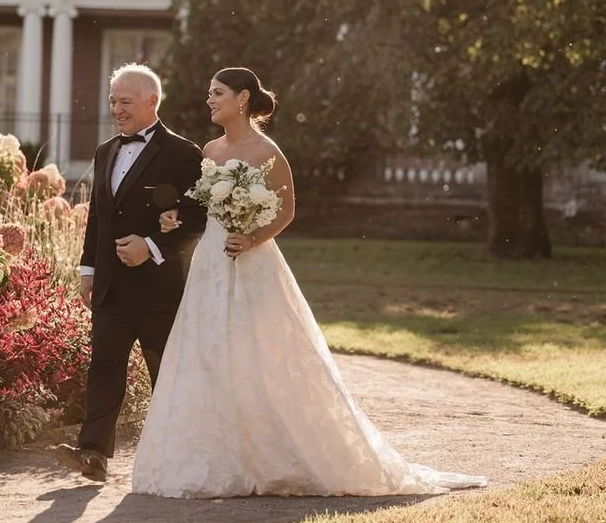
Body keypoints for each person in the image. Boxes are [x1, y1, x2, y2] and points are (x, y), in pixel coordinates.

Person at [130, 67, 488, 498]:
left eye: (218, 93)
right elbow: (202, 207)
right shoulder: (211, 148)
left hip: (252, 262)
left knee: (260, 352)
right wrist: (175, 217)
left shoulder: (267, 151)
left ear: (242, 98)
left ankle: (276, 455)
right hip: (211, 260)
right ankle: (216, 455)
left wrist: (254, 236)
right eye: (209, 92)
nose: (210, 100)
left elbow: (286, 211)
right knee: (206, 350)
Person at [53, 63, 207, 482]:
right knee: (103, 367)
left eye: (125, 101)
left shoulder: (183, 153)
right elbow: (98, 219)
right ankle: (93, 454)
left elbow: (198, 216)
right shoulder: (105, 151)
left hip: (159, 288)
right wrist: (88, 269)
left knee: (166, 375)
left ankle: (178, 458)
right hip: (110, 287)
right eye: (112, 101)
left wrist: (152, 246)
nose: (116, 109)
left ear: (151, 102)